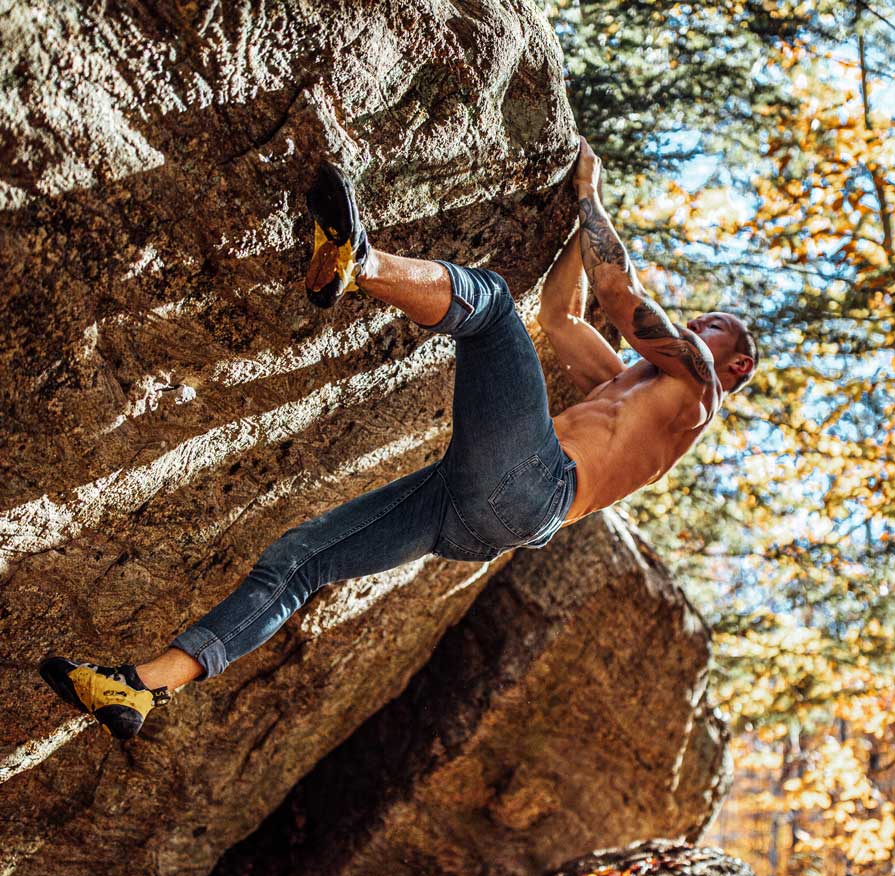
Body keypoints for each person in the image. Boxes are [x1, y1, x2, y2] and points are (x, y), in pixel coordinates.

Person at [39, 138, 756, 740]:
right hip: (484, 514)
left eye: (714, 325)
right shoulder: (633, 386)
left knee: (490, 306)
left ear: (736, 362)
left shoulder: (699, 387)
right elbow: (564, 316)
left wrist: (595, 195)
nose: (698, 325)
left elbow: (622, 296)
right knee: (301, 560)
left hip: (535, 483)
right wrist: (576, 209)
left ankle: (362, 263)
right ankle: (142, 687)